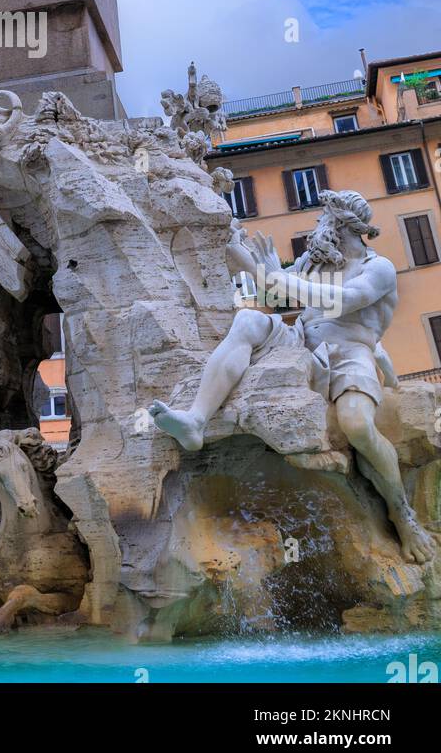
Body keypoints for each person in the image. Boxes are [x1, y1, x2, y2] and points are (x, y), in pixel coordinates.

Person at [150, 189, 436, 564]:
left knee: (357, 425)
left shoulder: (376, 268)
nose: (315, 226)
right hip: (301, 341)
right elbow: (273, 289)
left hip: (351, 354)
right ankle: (195, 420)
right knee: (248, 319)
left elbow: (339, 302)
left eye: (321, 219)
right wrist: (231, 241)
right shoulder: (313, 263)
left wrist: (278, 280)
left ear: (339, 223)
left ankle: (402, 512)